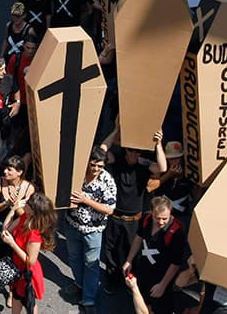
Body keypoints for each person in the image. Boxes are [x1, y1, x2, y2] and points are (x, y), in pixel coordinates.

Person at [99, 128, 167, 293]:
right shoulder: (117, 161)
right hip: (115, 216)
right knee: (110, 250)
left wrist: (158, 144)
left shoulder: (143, 166)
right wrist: (116, 130)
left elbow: (162, 168)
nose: (133, 155)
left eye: (137, 152)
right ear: (125, 150)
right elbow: (102, 150)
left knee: (133, 252)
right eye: (130, 151)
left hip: (134, 220)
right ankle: (111, 278)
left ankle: (130, 281)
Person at [63, 148, 117, 314]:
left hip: (93, 230)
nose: (95, 169)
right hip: (72, 225)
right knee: (74, 258)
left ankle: (88, 298)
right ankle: (80, 284)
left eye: (99, 166)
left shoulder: (107, 181)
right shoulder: (77, 173)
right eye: (93, 165)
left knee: (91, 264)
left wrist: (85, 200)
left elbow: (109, 209)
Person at [123, 196, 186, 313]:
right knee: (139, 301)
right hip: (143, 272)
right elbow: (138, 238)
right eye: (157, 218)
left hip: (160, 277)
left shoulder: (176, 232)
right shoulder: (146, 219)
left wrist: (163, 285)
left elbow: (175, 263)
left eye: (164, 218)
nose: (161, 222)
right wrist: (129, 260)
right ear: (151, 213)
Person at [0, 193, 58, 314]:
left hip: (27, 274)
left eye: (28, 203)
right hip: (16, 268)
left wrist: (12, 243)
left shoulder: (34, 234)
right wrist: (13, 210)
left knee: (28, 303)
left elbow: (30, 261)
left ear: (34, 211)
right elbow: (6, 231)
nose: (25, 203)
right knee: (16, 297)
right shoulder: (25, 217)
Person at [0, 155, 35, 301]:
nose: (5, 172)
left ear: (19, 172)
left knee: (13, 259)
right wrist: (6, 203)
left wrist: (16, 207)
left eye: (10, 170)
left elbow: (26, 215)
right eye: (5, 168)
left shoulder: (29, 188)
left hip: (18, 227)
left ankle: (12, 290)